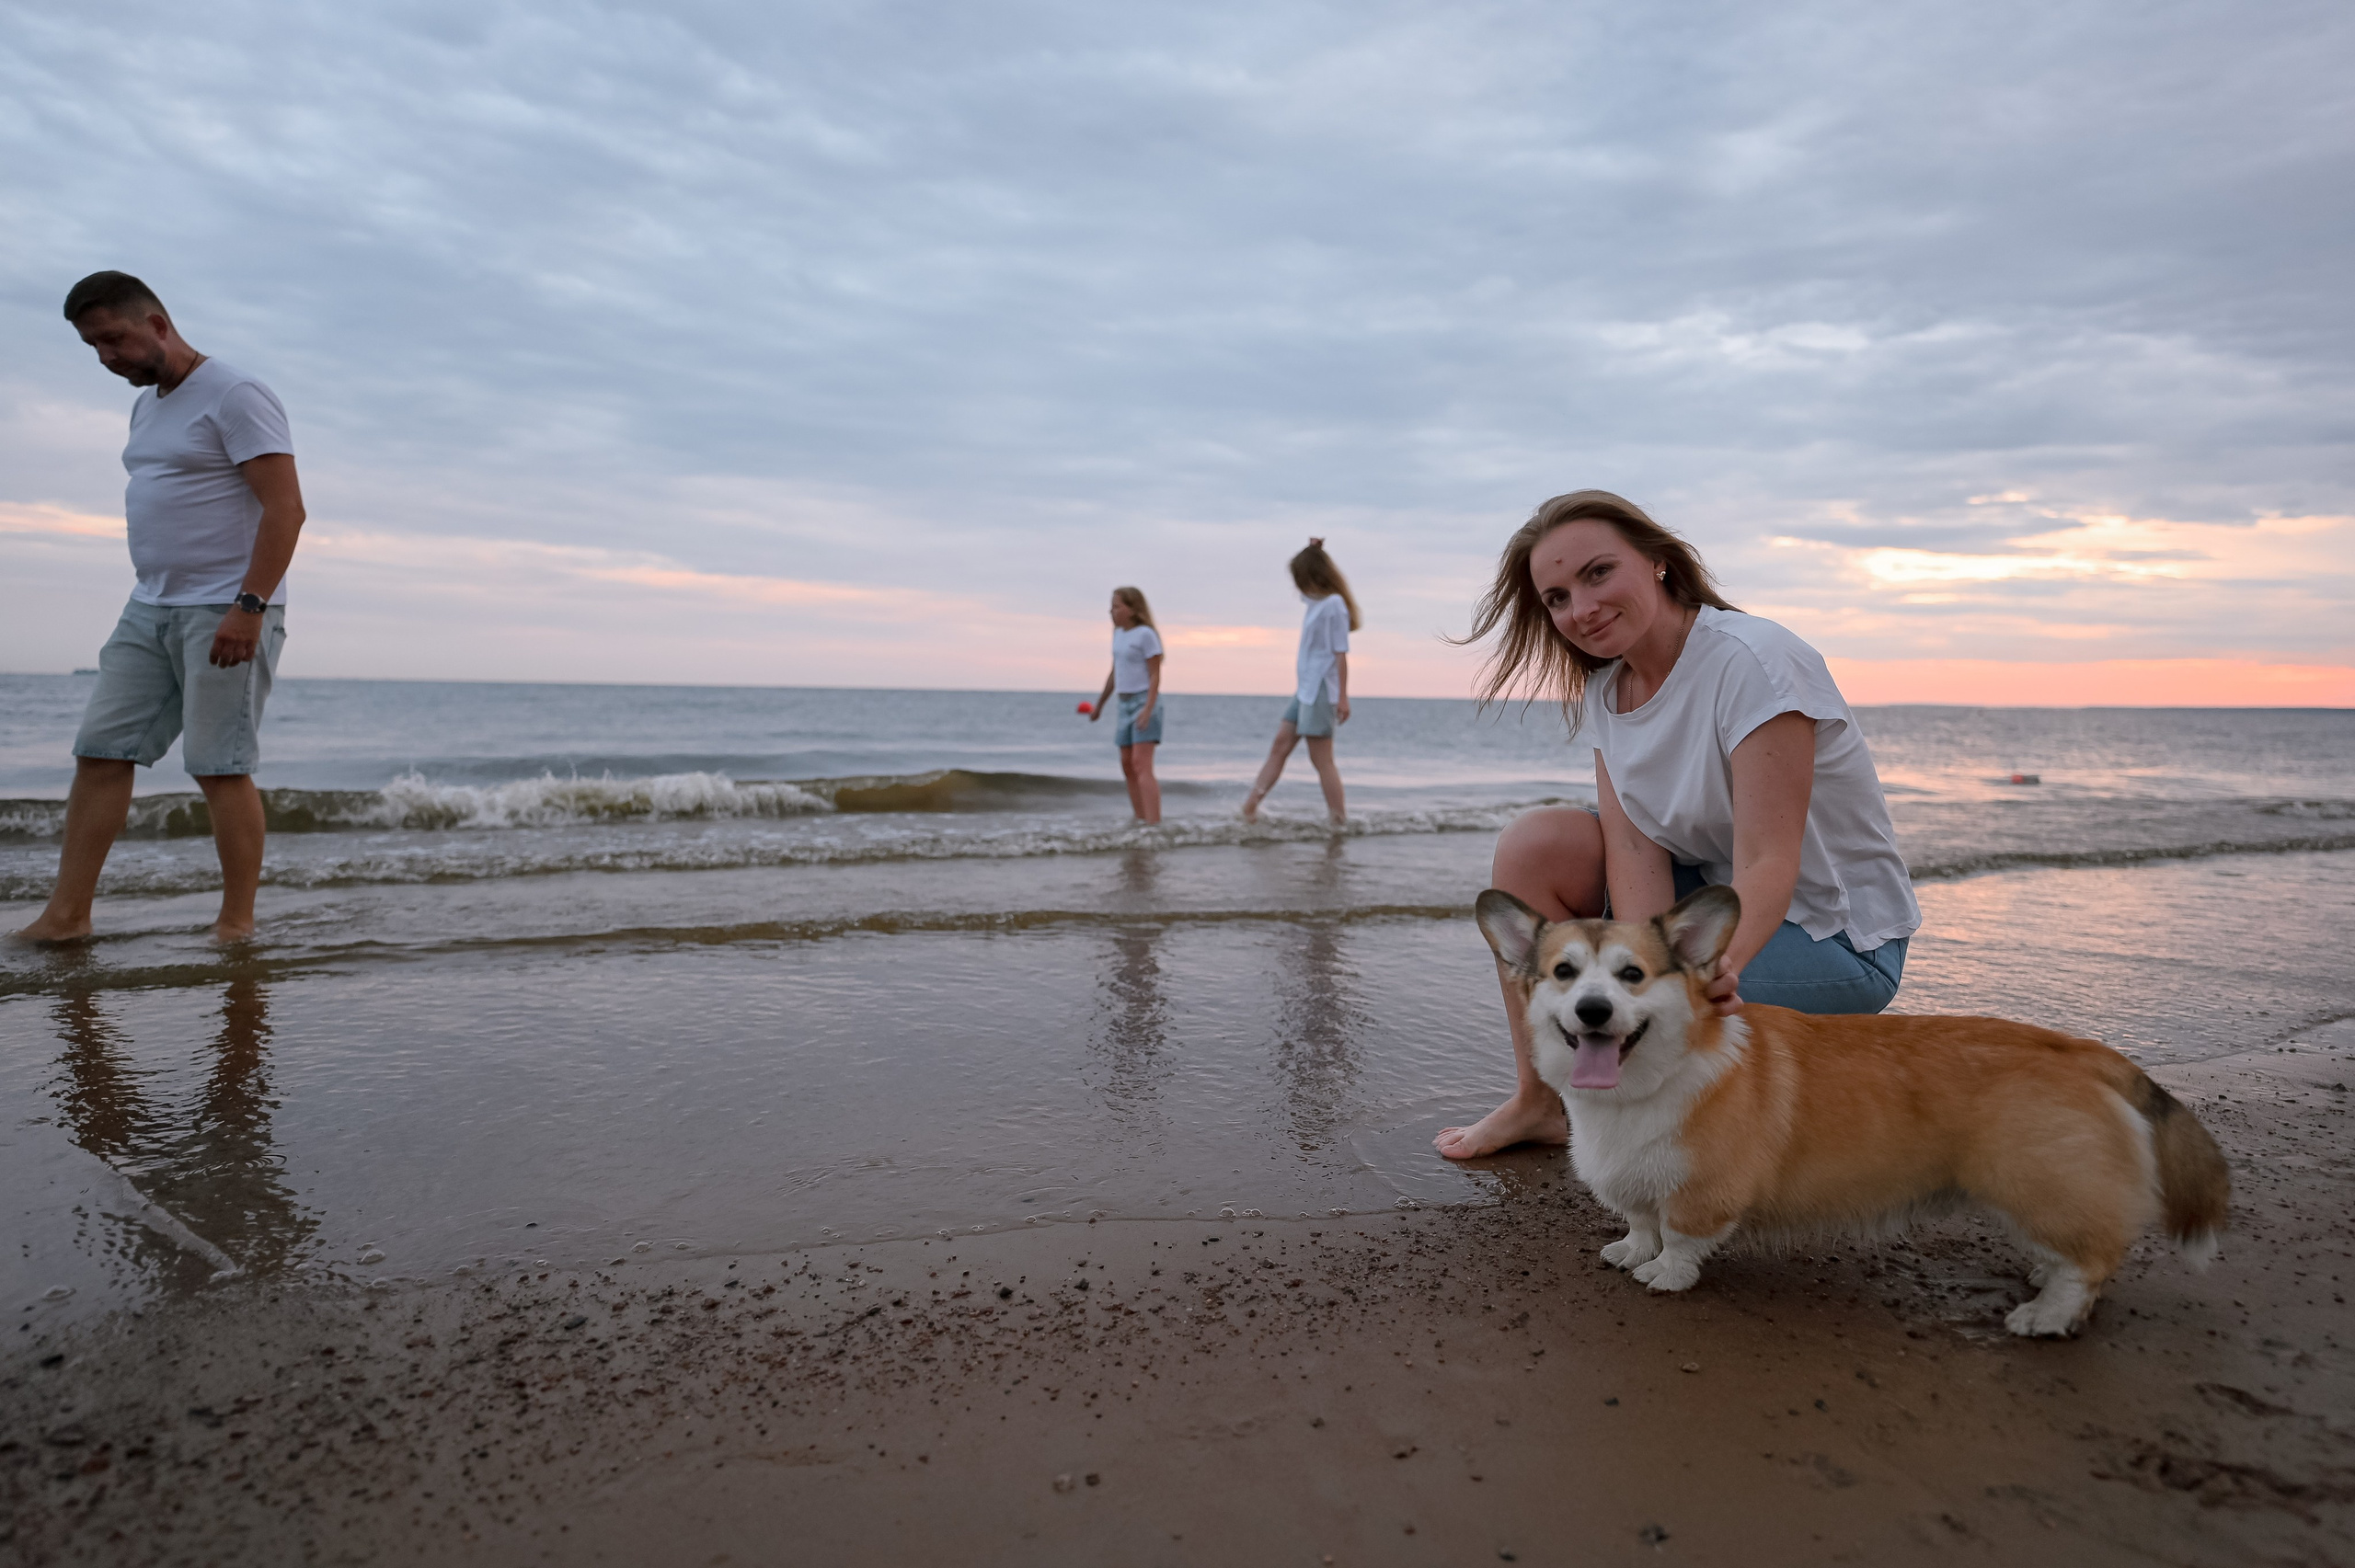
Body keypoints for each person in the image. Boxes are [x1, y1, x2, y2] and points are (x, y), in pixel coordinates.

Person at [1433, 490, 1919, 1161]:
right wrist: (1644, 970)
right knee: (1534, 847)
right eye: (1558, 597)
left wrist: (1694, 977)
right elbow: (1632, 846)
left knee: (1655, 1007)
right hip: (1718, 900)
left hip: (1832, 935)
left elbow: (1766, 861)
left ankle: (1679, 1124)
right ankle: (1541, 1101)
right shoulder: (1608, 689)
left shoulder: (1752, 662)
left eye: (1598, 573)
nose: (1582, 607)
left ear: (1659, 562)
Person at [11, 271, 305, 945]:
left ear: (158, 324)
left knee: (219, 764)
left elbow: (286, 509)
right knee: (101, 751)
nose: (106, 357)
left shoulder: (236, 393)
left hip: (225, 607)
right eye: (93, 346)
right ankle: (67, 916)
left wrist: (250, 605)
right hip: (149, 604)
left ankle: (236, 924)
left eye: (113, 339)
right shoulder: (148, 406)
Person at [1241, 538, 1359, 824]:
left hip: (1321, 688)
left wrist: (1342, 697)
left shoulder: (1334, 605)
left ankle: (1339, 821)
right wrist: (1313, 550)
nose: (1296, 585)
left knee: (1321, 759)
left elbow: (1340, 654)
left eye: (1299, 578)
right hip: (1305, 689)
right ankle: (1249, 810)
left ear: (1310, 577)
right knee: (1280, 745)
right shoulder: (1315, 603)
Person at [1089, 586, 1165, 825]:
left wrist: (1147, 709)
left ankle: (1154, 824)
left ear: (1132, 609)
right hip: (1123, 704)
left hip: (1144, 701)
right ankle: (1139, 818)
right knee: (1126, 764)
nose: (1111, 611)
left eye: (1117, 606)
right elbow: (1115, 672)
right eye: (1111, 607)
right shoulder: (1118, 634)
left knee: (1141, 764)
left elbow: (1155, 675)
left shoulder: (1146, 635)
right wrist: (1100, 705)